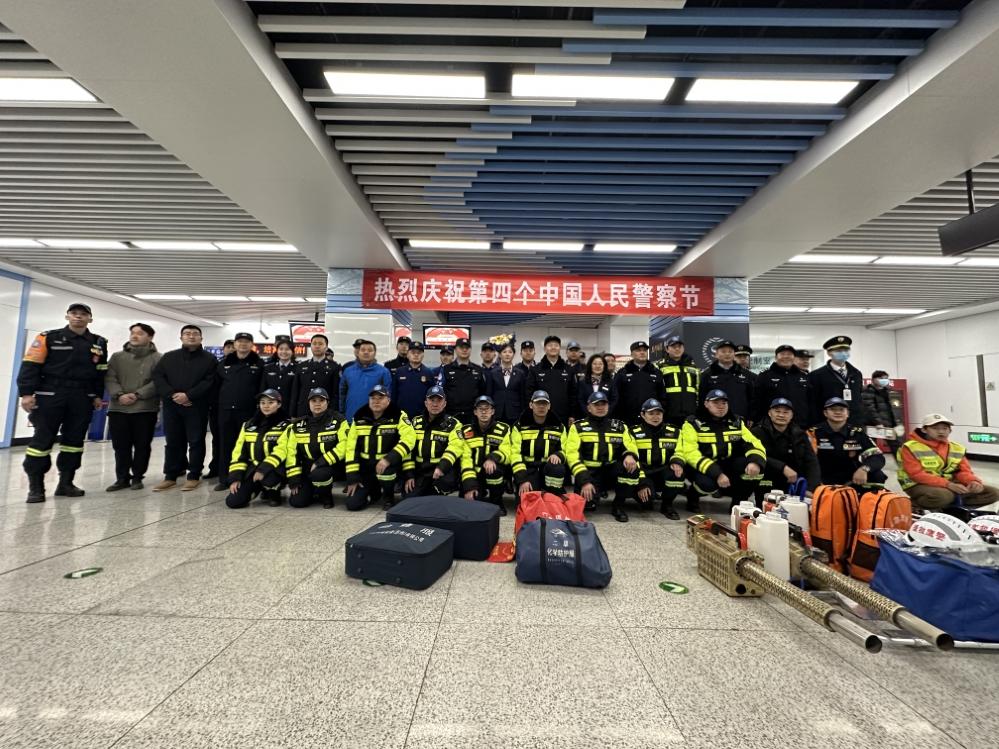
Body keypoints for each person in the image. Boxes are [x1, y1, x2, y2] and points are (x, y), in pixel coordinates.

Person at [17, 302, 108, 502]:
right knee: (42, 440)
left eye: (83, 314)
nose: (78, 317)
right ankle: (36, 487)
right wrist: (26, 393)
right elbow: (31, 365)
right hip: (50, 393)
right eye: (74, 313)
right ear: (67, 316)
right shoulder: (48, 337)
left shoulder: (98, 342)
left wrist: (97, 395)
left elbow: (100, 372)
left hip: (81, 396)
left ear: (90, 319)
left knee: (74, 442)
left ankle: (66, 483)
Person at [151, 325, 217, 492]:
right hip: (172, 406)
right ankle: (170, 476)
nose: (191, 336)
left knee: (196, 441)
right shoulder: (169, 357)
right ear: (181, 338)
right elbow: (158, 377)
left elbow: (209, 381)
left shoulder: (209, 359)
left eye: (195, 334)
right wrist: (173, 395)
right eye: (187, 334)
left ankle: (194, 475)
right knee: (173, 441)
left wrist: (189, 395)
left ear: (201, 338)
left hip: (196, 406)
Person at [676, 390, 766, 511]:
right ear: (706, 404)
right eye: (716, 403)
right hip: (703, 467)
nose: (721, 406)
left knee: (756, 469)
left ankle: (738, 503)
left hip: (728, 464)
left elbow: (753, 442)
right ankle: (693, 496)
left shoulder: (736, 422)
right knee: (706, 484)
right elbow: (690, 453)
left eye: (724, 403)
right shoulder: (692, 424)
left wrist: (755, 462)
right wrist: (717, 473)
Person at [566, 390, 646, 522]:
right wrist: (584, 481)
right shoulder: (578, 427)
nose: (600, 407)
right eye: (596, 405)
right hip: (589, 474)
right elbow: (572, 455)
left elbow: (630, 445)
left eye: (603, 404)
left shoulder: (620, 427)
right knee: (588, 506)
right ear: (589, 407)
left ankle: (618, 505)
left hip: (611, 472)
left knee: (632, 468)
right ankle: (593, 495)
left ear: (608, 406)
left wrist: (630, 455)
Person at [897, 413, 999, 511]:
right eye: (935, 428)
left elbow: (964, 471)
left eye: (945, 428)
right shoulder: (910, 447)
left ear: (950, 431)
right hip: (917, 484)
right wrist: (948, 485)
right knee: (943, 496)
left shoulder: (956, 448)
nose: (941, 432)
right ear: (924, 430)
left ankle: (950, 506)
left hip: (948, 484)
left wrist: (973, 482)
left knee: (994, 493)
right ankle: (913, 505)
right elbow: (916, 475)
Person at [104, 323, 161, 492]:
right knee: (120, 446)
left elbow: (158, 381)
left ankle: (137, 477)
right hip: (118, 408)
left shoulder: (158, 358)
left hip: (145, 408)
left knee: (142, 445)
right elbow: (110, 377)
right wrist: (119, 394)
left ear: (150, 337)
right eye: (132, 333)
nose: (135, 336)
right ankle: (122, 478)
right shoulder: (117, 357)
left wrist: (137, 395)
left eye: (140, 333)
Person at [344, 384, 416, 510]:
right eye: (373, 398)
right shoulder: (359, 416)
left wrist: (388, 459)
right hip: (366, 468)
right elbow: (351, 448)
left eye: (380, 398)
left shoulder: (398, 415)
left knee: (387, 473)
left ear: (388, 400)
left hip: (388, 466)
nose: (376, 401)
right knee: (353, 504)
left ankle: (388, 497)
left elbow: (409, 439)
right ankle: (374, 492)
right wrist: (352, 477)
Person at [225, 388, 297, 509]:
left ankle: (273, 492)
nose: (266, 406)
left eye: (270, 402)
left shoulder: (287, 425)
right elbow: (239, 453)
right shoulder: (248, 425)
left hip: (276, 469)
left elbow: (282, 450)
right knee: (233, 502)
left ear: (279, 404)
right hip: (253, 469)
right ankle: (257, 489)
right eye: (262, 402)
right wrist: (235, 477)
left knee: (270, 480)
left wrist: (263, 470)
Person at [214, 332, 264, 491]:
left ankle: (245, 477)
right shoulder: (223, 364)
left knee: (247, 446)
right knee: (225, 445)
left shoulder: (259, 364)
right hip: (226, 411)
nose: (243, 344)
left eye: (247, 342)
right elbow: (216, 387)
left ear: (252, 345)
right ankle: (224, 478)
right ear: (235, 344)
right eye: (240, 341)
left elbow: (262, 388)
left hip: (248, 412)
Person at [283, 387, 348, 509]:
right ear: (309, 403)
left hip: (330, 465)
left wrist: (321, 462)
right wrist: (294, 478)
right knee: (297, 502)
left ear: (327, 402)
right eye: (314, 401)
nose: (317, 404)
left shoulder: (339, 421)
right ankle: (314, 490)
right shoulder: (298, 424)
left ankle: (326, 495)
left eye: (321, 400)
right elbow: (291, 452)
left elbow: (344, 445)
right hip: (307, 466)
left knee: (320, 475)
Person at [751, 397, 821, 504]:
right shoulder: (757, 432)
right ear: (770, 413)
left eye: (786, 412)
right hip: (766, 480)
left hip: (793, 482)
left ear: (791, 415)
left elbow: (811, 461)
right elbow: (757, 456)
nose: (781, 415)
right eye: (777, 411)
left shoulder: (800, 434)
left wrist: (810, 488)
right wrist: (783, 467)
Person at [809, 397, 886, 492]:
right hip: (822, 478)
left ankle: (869, 499)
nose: (838, 412)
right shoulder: (813, 433)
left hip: (852, 480)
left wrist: (864, 469)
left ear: (848, 413)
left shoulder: (857, 433)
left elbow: (877, 457)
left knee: (877, 475)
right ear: (825, 413)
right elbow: (805, 460)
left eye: (841, 410)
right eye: (833, 409)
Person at [402, 386, 464, 498]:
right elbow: (408, 450)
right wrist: (409, 475)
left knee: (436, 498)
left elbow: (455, 447)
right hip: (421, 471)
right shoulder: (415, 422)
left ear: (444, 404)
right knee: (409, 498)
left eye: (439, 400)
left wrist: (441, 467)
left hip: (441, 471)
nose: (435, 404)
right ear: (426, 403)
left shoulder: (454, 424)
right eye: (432, 400)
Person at [460, 395, 515, 515]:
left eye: (487, 408)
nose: (484, 412)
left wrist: (492, 458)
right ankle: (479, 492)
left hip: (493, 471)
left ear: (493, 411)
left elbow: (507, 452)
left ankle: (497, 502)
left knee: (494, 471)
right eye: (480, 409)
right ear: (475, 412)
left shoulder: (503, 429)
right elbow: (466, 459)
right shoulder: (466, 431)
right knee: (470, 507)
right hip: (474, 473)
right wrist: (469, 484)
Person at [630, 398, 684, 519]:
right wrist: (642, 483)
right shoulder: (633, 432)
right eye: (651, 413)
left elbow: (680, 451)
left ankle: (667, 505)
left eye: (658, 413)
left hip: (664, 470)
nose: (655, 417)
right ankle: (644, 493)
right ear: (643, 415)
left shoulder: (675, 432)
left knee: (677, 474)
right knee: (646, 502)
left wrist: (677, 462)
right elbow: (633, 458)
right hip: (644, 473)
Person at [511, 390, 568, 495]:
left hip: (548, 469)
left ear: (549, 406)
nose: (541, 406)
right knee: (528, 499)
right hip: (528, 469)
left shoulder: (559, 427)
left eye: (544, 403)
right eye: (538, 403)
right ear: (531, 405)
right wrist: (522, 479)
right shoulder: (519, 426)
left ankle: (554, 493)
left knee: (557, 468)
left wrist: (558, 455)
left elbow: (565, 449)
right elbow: (515, 454)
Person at [808, 336, 864, 426]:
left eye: (846, 350)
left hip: (853, 422)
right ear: (829, 353)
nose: (843, 353)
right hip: (828, 423)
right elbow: (813, 403)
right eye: (839, 351)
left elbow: (859, 399)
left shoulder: (856, 373)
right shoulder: (817, 375)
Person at [752, 344, 811, 427]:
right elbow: (756, 401)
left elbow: (811, 401)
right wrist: (757, 421)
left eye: (789, 354)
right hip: (771, 426)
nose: (786, 356)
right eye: (782, 354)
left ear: (794, 357)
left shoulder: (803, 376)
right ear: (776, 357)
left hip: (800, 424)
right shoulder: (764, 376)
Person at [525, 335, 576, 425]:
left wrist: (572, 415)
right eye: (550, 345)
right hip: (541, 416)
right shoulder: (535, 370)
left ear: (560, 348)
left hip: (563, 416)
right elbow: (529, 394)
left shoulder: (569, 370)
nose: (553, 347)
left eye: (556, 345)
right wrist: (530, 413)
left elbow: (573, 394)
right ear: (545, 349)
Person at [611, 340, 665, 424]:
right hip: (628, 419)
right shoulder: (622, 373)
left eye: (644, 350)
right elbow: (616, 396)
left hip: (651, 419)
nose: (642, 352)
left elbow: (662, 396)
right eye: (638, 350)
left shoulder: (656, 372)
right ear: (632, 354)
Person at [700, 340, 754, 421]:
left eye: (730, 351)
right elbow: (702, 399)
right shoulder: (707, 374)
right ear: (716, 354)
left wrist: (751, 417)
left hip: (741, 420)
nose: (727, 354)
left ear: (734, 354)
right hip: (715, 420)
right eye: (723, 351)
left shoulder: (747, 375)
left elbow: (752, 398)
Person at [339, 339, 391, 421]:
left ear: (375, 353)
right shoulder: (348, 371)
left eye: (370, 350)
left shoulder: (383, 372)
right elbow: (342, 394)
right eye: (363, 350)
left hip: (374, 419)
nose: (366, 352)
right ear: (358, 352)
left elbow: (388, 395)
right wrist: (341, 413)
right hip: (351, 417)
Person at [439, 337, 485, 426]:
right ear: (455, 349)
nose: (464, 350)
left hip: (473, 416)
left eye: (467, 347)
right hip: (451, 415)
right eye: (461, 347)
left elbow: (482, 392)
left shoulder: (478, 370)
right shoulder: (446, 369)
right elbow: (441, 392)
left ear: (470, 350)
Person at [290, 334, 340, 415]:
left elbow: (335, 394)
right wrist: (293, 413)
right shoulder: (301, 366)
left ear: (326, 347)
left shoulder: (334, 367)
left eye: (320, 344)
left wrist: (333, 413)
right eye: (314, 343)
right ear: (311, 346)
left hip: (324, 412)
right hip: (303, 410)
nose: (317, 346)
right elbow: (295, 392)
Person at [656, 335, 700, 425]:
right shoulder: (659, 366)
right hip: (668, 414)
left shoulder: (693, 366)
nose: (677, 349)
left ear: (683, 348)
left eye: (679, 346)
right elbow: (657, 390)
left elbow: (698, 389)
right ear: (667, 349)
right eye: (673, 347)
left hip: (690, 414)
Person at [862, 370, 904, 452]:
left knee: (897, 446)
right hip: (873, 425)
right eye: (881, 378)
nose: (884, 380)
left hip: (889, 424)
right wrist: (877, 422)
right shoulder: (867, 390)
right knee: (870, 446)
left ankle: (901, 460)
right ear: (873, 379)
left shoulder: (889, 391)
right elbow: (869, 408)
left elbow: (894, 408)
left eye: (886, 378)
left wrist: (897, 423)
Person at [485, 343, 527, 424]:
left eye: (510, 352)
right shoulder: (493, 373)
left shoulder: (520, 373)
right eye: (504, 352)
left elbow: (522, 395)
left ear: (513, 354)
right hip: (497, 412)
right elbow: (489, 394)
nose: (507, 354)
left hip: (515, 412)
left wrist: (523, 413)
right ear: (500, 355)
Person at [392, 340, 435, 418]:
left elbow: (432, 396)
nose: (416, 355)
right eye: (413, 352)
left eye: (419, 353)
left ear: (423, 355)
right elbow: (394, 395)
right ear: (408, 354)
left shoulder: (429, 373)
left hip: (422, 417)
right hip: (401, 416)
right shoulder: (399, 372)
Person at [262, 338, 297, 406]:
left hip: (288, 406)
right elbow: (263, 388)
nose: (284, 352)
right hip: (270, 406)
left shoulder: (297, 368)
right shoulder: (268, 368)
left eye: (287, 349)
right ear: (277, 351)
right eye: (281, 349)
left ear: (292, 351)